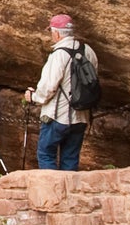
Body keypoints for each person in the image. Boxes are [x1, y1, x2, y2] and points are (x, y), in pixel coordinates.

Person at [27, 14, 98, 171]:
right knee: (70, 158)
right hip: (81, 116)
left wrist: (33, 97)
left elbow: (48, 87)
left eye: (51, 32)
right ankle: (69, 187)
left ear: (57, 33)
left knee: (46, 154)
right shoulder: (88, 51)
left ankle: (51, 187)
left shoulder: (59, 54)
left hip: (58, 116)